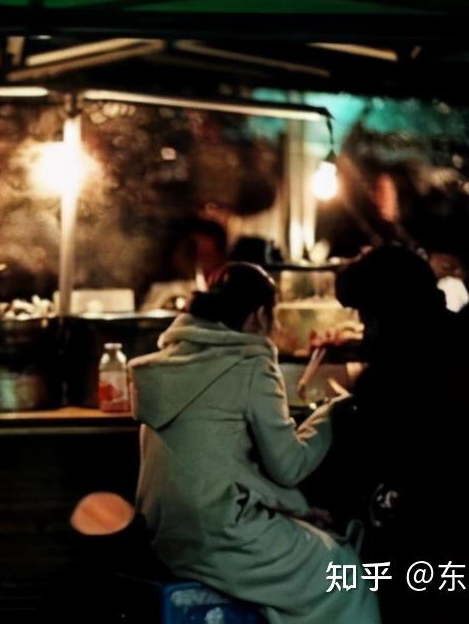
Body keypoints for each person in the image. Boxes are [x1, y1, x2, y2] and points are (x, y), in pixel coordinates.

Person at [130, 263, 381, 624]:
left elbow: (220, 465)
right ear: (258, 316)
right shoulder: (250, 363)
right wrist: (330, 413)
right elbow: (288, 466)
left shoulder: (165, 365)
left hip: (167, 537)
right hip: (225, 539)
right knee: (343, 574)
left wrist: (295, 511)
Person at [334, 246, 469, 622]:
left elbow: (375, 457)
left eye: (365, 315)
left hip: (436, 540)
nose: (365, 329)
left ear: (384, 308)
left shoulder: (391, 370)